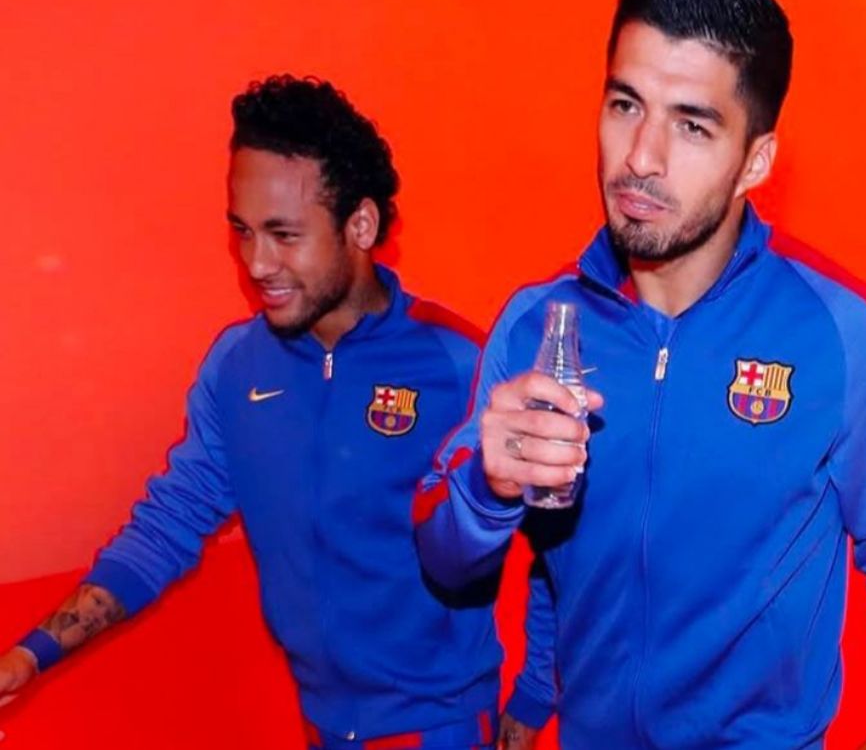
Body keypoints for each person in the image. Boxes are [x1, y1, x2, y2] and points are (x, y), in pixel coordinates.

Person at [413, 0, 866, 750]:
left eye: (692, 125)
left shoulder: (837, 331)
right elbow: (468, 561)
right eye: (625, 104)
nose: (641, 157)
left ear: (756, 161)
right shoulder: (538, 325)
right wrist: (485, 490)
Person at [0, 75, 523, 749]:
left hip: (439, 727)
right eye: (243, 232)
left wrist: (536, 697)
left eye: (283, 234)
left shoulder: (457, 361)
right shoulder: (237, 365)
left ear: (360, 225)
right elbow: (169, 524)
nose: (256, 262)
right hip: (323, 726)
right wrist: (32, 653)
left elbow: (556, 545)